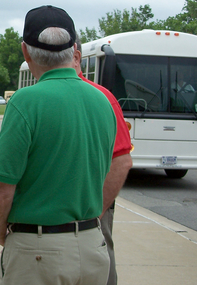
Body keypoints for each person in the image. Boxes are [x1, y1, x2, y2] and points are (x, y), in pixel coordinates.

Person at [0, 5, 116, 285]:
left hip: (38, 250)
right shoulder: (103, 101)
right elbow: (107, 171)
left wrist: (1, 233)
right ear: (73, 51)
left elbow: (1, 189)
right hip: (93, 245)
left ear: (25, 51)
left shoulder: (25, 102)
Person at [73, 39, 133, 285]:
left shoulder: (102, 97)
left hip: (92, 208)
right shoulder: (36, 97)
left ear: (76, 57)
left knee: (99, 262)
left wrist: (96, 211)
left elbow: (121, 160)